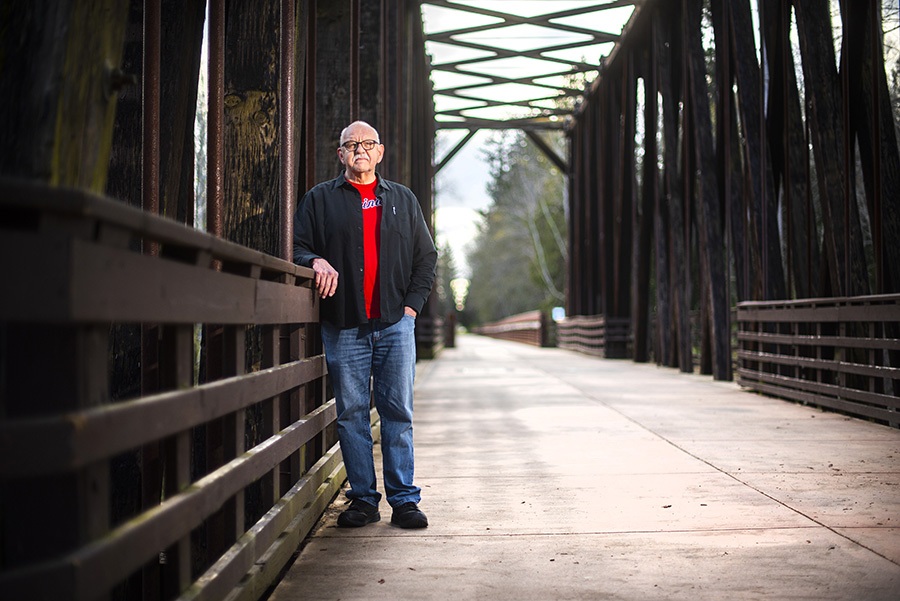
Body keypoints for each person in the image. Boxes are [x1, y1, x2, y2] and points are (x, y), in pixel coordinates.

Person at [293, 121, 437, 529]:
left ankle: (404, 501)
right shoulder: (320, 199)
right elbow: (297, 245)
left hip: (394, 324)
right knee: (351, 414)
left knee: (397, 412)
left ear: (380, 152)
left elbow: (426, 257)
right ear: (341, 154)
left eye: (368, 143)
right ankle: (363, 501)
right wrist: (314, 261)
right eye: (351, 144)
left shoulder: (403, 199)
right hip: (343, 325)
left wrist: (410, 310)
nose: (360, 149)